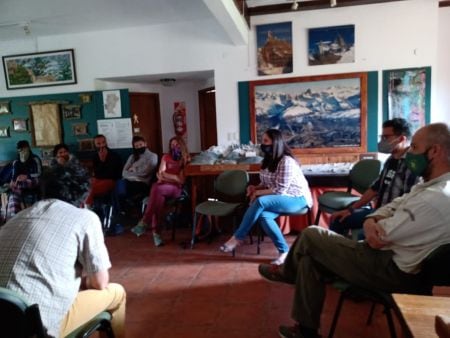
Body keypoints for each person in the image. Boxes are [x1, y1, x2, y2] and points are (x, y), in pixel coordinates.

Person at [258, 122, 450, 338]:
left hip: (393, 269)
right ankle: (306, 332)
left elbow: (379, 238)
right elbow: (395, 203)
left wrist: (373, 222)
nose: (411, 153)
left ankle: (287, 273)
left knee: (312, 234)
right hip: (387, 254)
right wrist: (372, 217)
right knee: (309, 260)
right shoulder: (428, 186)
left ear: (434, 151)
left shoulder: (435, 198)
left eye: (414, 147)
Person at [0, 163, 126, 338]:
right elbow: (100, 283)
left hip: (4, 320)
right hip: (37, 326)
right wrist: (80, 283)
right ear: (84, 195)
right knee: (117, 292)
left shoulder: (16, 218)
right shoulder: (85, 218)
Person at [220, 129, 313, 265]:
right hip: (280, 198)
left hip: (297, 198)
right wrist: (254, 188)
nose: (262, 145)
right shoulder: (267, 160)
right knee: (264, 216)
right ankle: (284, 252)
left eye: (265, 141)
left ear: (275, 143)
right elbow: (265, 183)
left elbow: (280, 190)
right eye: (262, 141)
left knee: (261, 202)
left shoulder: (287, 161)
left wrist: (257, 194)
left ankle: (238, 237)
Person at [330, 118, 418, 237]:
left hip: (392, 218)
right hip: (376, 212)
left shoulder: (412, 165)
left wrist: (379, 220)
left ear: (401, 139)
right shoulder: (390, 160)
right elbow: (374, 189)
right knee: (338, 220)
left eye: (386, 137)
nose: (382, 141)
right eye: (382, 137)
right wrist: (350, 210)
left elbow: (409, 201)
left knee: (364, 234)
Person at [131, 136, 190, 247]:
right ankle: (156, 234)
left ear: (181, 146)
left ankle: (145, 222)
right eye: (172, 145)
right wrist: (173, 177)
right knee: (158, 200)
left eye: (177, 145)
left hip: (175, 189)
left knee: (156, 188)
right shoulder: (166, 157)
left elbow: (181, 180)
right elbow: (160, 175)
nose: (174, 147)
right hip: (162, 187)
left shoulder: (185, 159)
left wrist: (166, 176)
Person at [113, 135, 158, 215]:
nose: (139, 147)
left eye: (140, 145)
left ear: (145, 144)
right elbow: (124, 172)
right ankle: (123, 211)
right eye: (136, 146)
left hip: (142, 183)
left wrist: (134, 169)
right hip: (128, 180)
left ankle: (124, 210)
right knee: (118, 185)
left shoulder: (153, 156)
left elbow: (145, 173)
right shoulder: (132, 157)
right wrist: (132, 174)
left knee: (120, 189)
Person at [5, 140, 42, 219]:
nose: (23, 152)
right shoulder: (16, 162)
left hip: (33, 181)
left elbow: (39, 173)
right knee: (13, 190)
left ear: (28, 148)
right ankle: (13, 216)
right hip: (20, 185)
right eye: (20, 150)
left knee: (24, 183)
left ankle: (15, 191)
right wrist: (13, 181)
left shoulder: (35, 159)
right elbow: (14, 175)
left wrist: (27, 176)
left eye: (25, 149)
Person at [85, 134, 123, 208]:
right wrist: (101, 161)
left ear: (106, 143)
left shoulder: (114, 155)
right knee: (84, 186)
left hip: (111, 180)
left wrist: (103, 161)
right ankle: (82, 207)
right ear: (95, 145)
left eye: (103, 142)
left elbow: (113, 174)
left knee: (91, 189)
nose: (102, 145)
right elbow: (96, 173)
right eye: (98, 144)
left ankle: (87, 209)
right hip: (98, 179)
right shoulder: (95, 156)